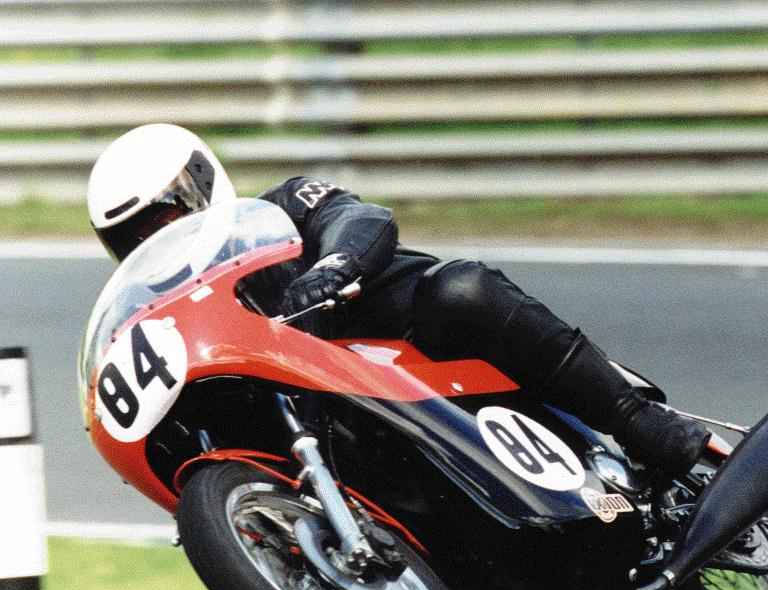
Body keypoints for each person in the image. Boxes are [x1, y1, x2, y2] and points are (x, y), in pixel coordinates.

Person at [87, 124, 710, 476]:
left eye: (163, 218)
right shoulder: (164, 311)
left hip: (409, 344)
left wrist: (333, 267)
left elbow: (360, 217)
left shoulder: (281, 205)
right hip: (329, 412)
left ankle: (636, 420)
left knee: (462, 288)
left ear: (201, 187)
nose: (156, 240)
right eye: (134, 237)